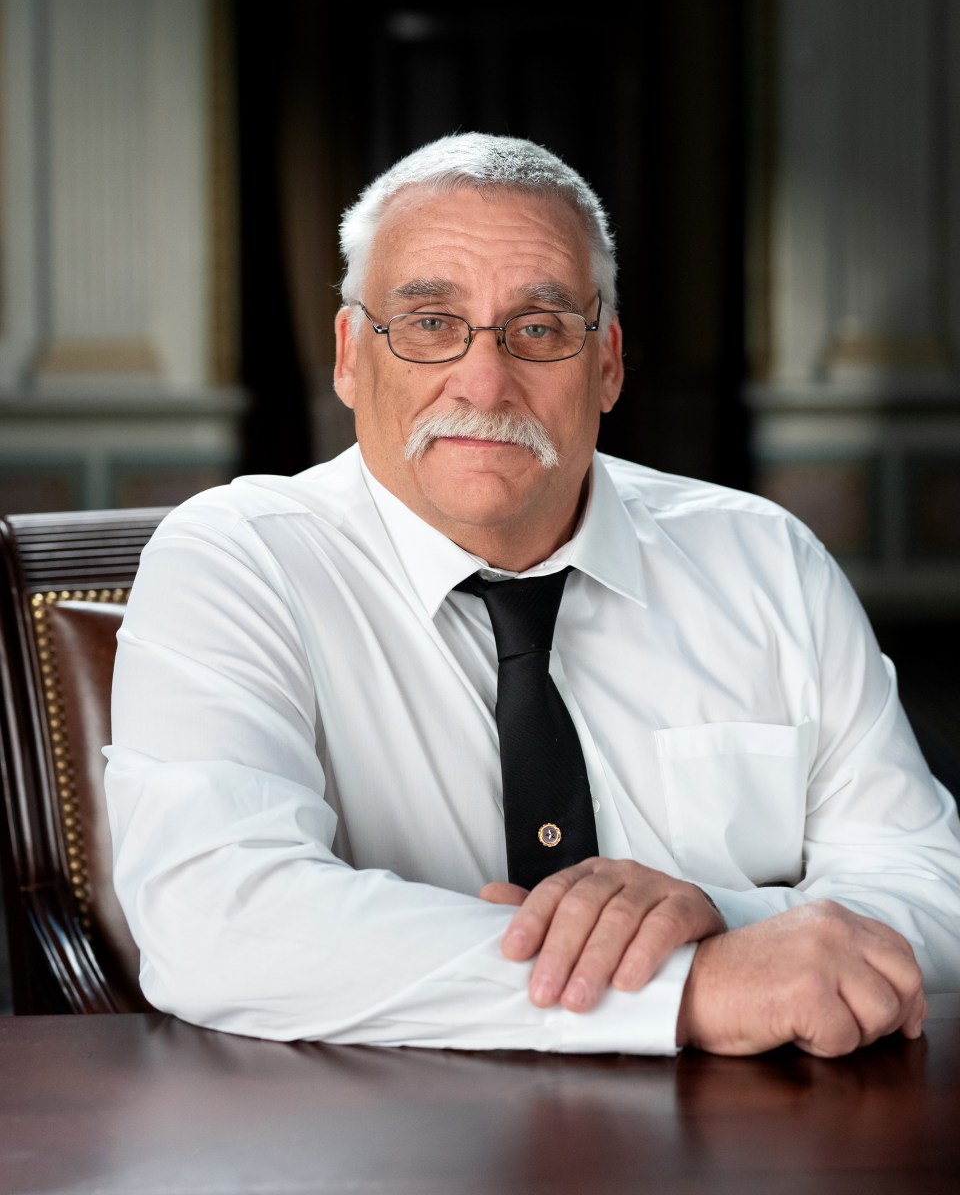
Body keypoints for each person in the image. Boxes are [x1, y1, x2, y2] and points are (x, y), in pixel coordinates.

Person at [104, 133, 960, 1058]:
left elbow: (930, 893)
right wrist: (690, 983)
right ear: (352, 356)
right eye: (430, 323)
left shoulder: (766, 559)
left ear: (608, 362)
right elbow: (221, 924)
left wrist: (717, 912)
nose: (484, 380)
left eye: (540, 328)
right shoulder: (238, 560)